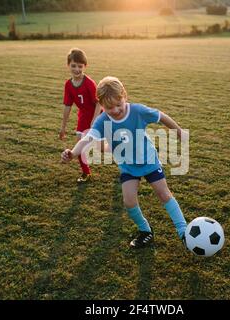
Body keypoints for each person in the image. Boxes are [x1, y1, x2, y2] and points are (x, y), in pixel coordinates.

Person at [61, 76, 188, 248]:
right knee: (129, 202)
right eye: (108, 107)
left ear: (124, 96)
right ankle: (145, 231)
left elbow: (161, 116)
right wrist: (73, 153)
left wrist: (178, 132)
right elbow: (88, 139)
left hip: (148, 160)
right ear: (101, 104)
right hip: (128, 166)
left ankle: (184, 232)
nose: (115, 110)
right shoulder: (102, 121)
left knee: (164, 194)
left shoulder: (137, 111)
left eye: (118, 104)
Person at [59, 48, 101, 182]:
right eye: (73, 66)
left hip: (98, 116)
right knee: (79, 145)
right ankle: (86, 173)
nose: (77, 69)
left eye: (80, 66)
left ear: (85, 66)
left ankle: (127, 166)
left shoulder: (89, 83)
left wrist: (94, 121)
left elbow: (99, 104)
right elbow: (67, 106)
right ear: (68, 65)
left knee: (105, 147)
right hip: (83, 117)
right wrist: (63, 127)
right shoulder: (68, 85)